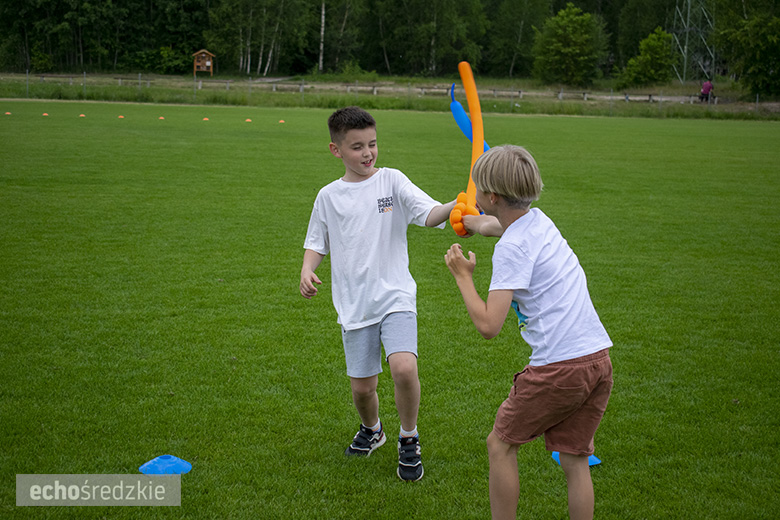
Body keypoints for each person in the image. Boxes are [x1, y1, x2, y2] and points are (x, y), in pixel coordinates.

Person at [444, 145, 613, 520]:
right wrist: (471, 222)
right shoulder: (538, 221)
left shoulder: (511, 248)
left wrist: (462, 276)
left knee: (500, 445)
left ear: (492, 196)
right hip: (598, 360)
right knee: (574, 458)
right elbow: (498, 224)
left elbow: (489, 326)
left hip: (559, 369)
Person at [300, 106, 456, 482]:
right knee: (363, 389)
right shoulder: (328, 196)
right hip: (354, 305)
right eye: (357, 147)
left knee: (404, 367)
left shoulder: (392, 181)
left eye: (372, 144)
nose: (368, 153)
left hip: (395, 297)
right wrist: (307, 268)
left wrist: (457, 205)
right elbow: (316, 242)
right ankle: (373, 430)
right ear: (336, 150)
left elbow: (430, 213)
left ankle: (408, 437)